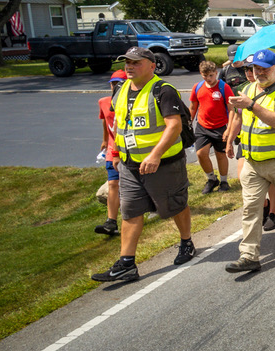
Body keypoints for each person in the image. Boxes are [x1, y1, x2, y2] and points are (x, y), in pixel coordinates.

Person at [91, 47, 196, 283]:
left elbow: (174, 126)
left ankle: (186, 242)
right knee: (130, 211)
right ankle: (127, 263)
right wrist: (116, 152)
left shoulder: (163, 90)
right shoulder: (121, 90)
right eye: (127, 62)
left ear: (152, 66)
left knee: (175, 205)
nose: (130, 66)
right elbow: (118, 124)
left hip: (164, 163)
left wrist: (156, 155)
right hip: (130, 165)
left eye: (136, 62)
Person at [223, 49, 275, 273]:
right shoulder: (248, 89)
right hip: (252, 161)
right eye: (256, 68)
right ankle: (249, 255)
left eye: (264, 69)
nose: (259, 73)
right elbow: (239, 117)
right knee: (250, 209)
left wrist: (252, 105)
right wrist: (230, 140)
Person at [189, 60, 233, 194]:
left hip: (220, 127)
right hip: (202, 126)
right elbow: (193, 107)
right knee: (200, 154)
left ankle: (224, 181)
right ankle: (212, 179)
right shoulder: (197, 87)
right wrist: (188, 123)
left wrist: (229, 129)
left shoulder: (224, 87)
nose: (208, 78)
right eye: (205, 75)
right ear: (201, 73)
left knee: (221, 155)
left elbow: (232, 110)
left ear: (216, 73)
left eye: (211, 75)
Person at [93, 69, 127, 236]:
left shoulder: (132, 102)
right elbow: (106, 122)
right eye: (113, 84)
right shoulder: (104, 102)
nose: (115, 87)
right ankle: (111, 222)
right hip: (113, 150)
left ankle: (155, 207)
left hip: (130, 149)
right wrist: (105, 140)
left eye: (119, 84)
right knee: (113, 183)